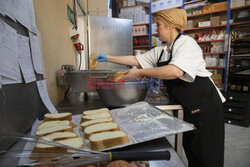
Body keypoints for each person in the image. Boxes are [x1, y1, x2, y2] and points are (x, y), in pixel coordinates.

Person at [95, 8, 225, 167]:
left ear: (171, 26)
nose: (156, 29)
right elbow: (136, 59)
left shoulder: (187, 44)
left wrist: (140, 72)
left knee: (208, 156)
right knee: (193, 152)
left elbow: (175, 71)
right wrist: (107, 57)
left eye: (159, 25)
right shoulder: (161, 51)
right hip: (188, 107)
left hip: (206, 107)